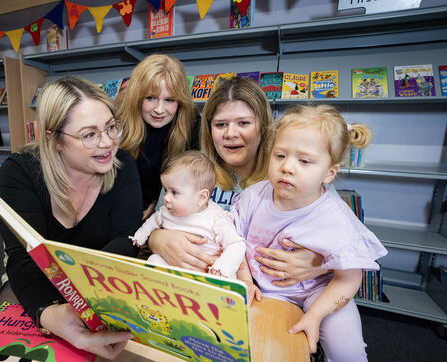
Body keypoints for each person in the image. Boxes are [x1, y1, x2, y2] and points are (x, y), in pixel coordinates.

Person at [0, 75, 143, 359]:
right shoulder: (19, 172)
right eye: (89, 134)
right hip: (36, 279)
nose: (108, 143)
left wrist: (82, 298)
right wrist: (49, 314)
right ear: (55, 140)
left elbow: (127, 239)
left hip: (98, 282)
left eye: (111, 127)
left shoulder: (124, 167)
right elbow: (21, 256)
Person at [233, 104, 388, 360]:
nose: (287, 167)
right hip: (257, 285)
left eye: (304, 161)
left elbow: (349, 279)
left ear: (329, 173)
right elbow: (234, 240)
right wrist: (246, 281)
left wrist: (315, 315)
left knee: (347, 350)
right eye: (280, 155)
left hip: (318, 292)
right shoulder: (251, 197)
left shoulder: (336, 218)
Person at [147, 77, 328, 285]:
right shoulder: (187, 172)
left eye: (244, 123)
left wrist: (321, 264)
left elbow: (350, 246)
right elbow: (154, 226)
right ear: (209, 129)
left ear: (263, 126)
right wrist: (158, 240)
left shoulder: (292, 174)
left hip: (273, 296)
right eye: (220, 124)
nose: (231, 134)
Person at [130, 150, 246, 278]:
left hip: (208, 272)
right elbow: (152, 222)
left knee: (224, 278)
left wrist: (223, 267)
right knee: (154, 259)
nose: (166, 198)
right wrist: (140, 236)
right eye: (166, 190)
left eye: (174, 192)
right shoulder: (166, 210)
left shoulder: (217, 219)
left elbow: (236, 244)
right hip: (174, 270)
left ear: (201, 197)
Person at [116, 54, 198, 219]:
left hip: (166, 211)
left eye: (169, 100)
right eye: (151, 98)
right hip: (119, 208)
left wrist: (158, 204)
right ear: (137, 96)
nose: (159, 109)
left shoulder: (192, 124)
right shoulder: (116, 119)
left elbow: (192, 180)